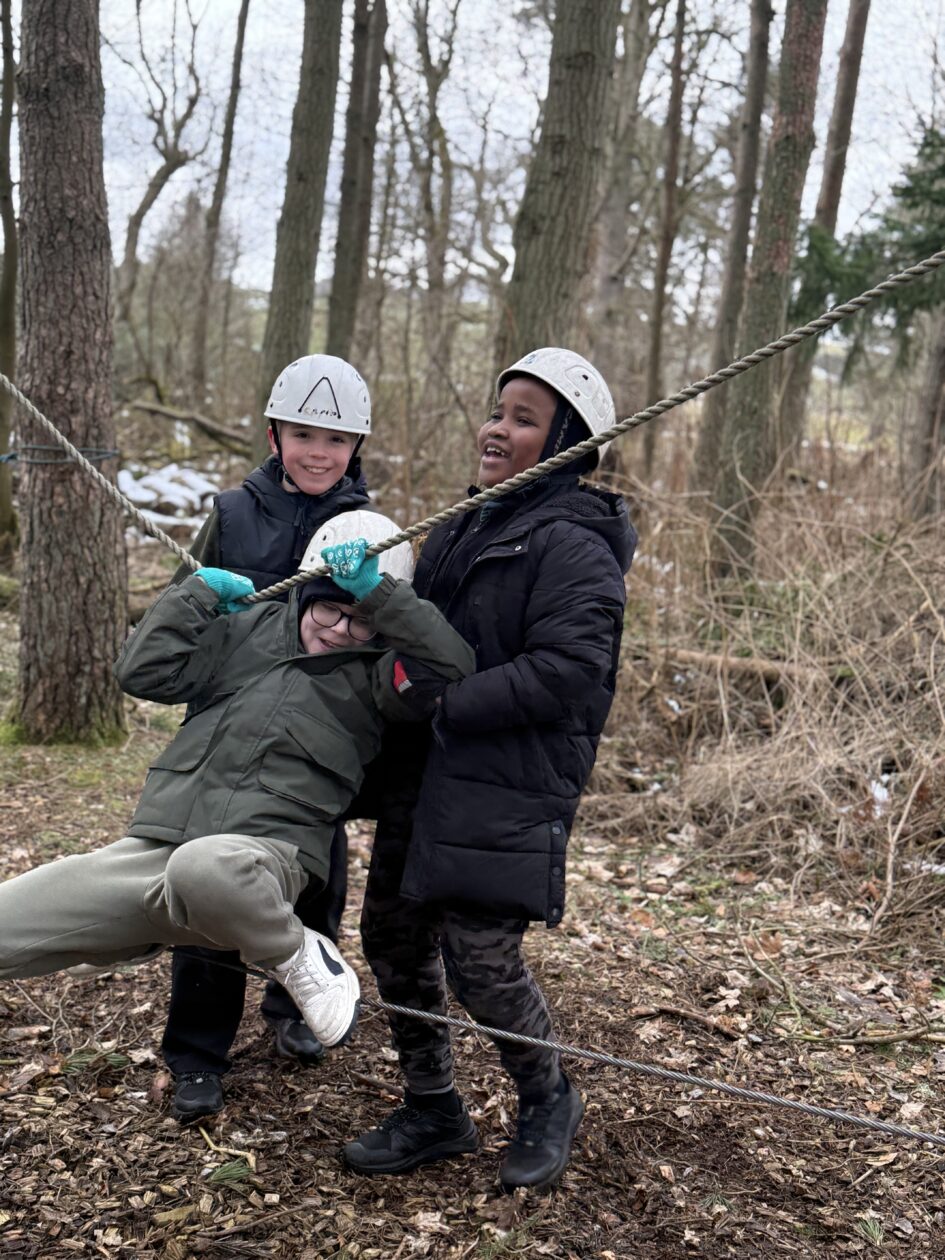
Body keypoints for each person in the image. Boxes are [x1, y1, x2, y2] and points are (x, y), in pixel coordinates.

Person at [0, 524, 475, 1078]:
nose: (341, 630)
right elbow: (142, 672)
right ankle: (128, 931)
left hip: (260, 863)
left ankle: (300, 955)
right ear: (306, 591)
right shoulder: (247, 628)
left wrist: (382, 598)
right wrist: (194, 597)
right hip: (150, 853)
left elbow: (453, 668)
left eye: (360, 618)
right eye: (329, 609)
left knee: (205, 867)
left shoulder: (379, 676)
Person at [344, 347, 636, 1192]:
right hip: (424, 772)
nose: (496, 429)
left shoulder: (574, 544)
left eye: (523, 420)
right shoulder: (464, 522)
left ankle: (548, 1098)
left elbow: (571, 669)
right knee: (392, 938)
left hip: (506, 780)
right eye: (497, 411)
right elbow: (421, 633)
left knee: (481, 960)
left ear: (566, 444)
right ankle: (432, 1106)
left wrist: (449, 701)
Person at [163, 353, 374, 1122]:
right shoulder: (230, 515)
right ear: (273, 435)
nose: (319, 453)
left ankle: (296, 1009)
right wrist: (206, 610)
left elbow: (386, 628)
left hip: (315, 745)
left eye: (336, 440)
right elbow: (183, 606)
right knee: (208, 888)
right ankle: (196, 1053)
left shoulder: (369, 530)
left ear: (357, 448)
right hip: (231, 734)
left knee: (315, 880)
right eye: (304, 435)